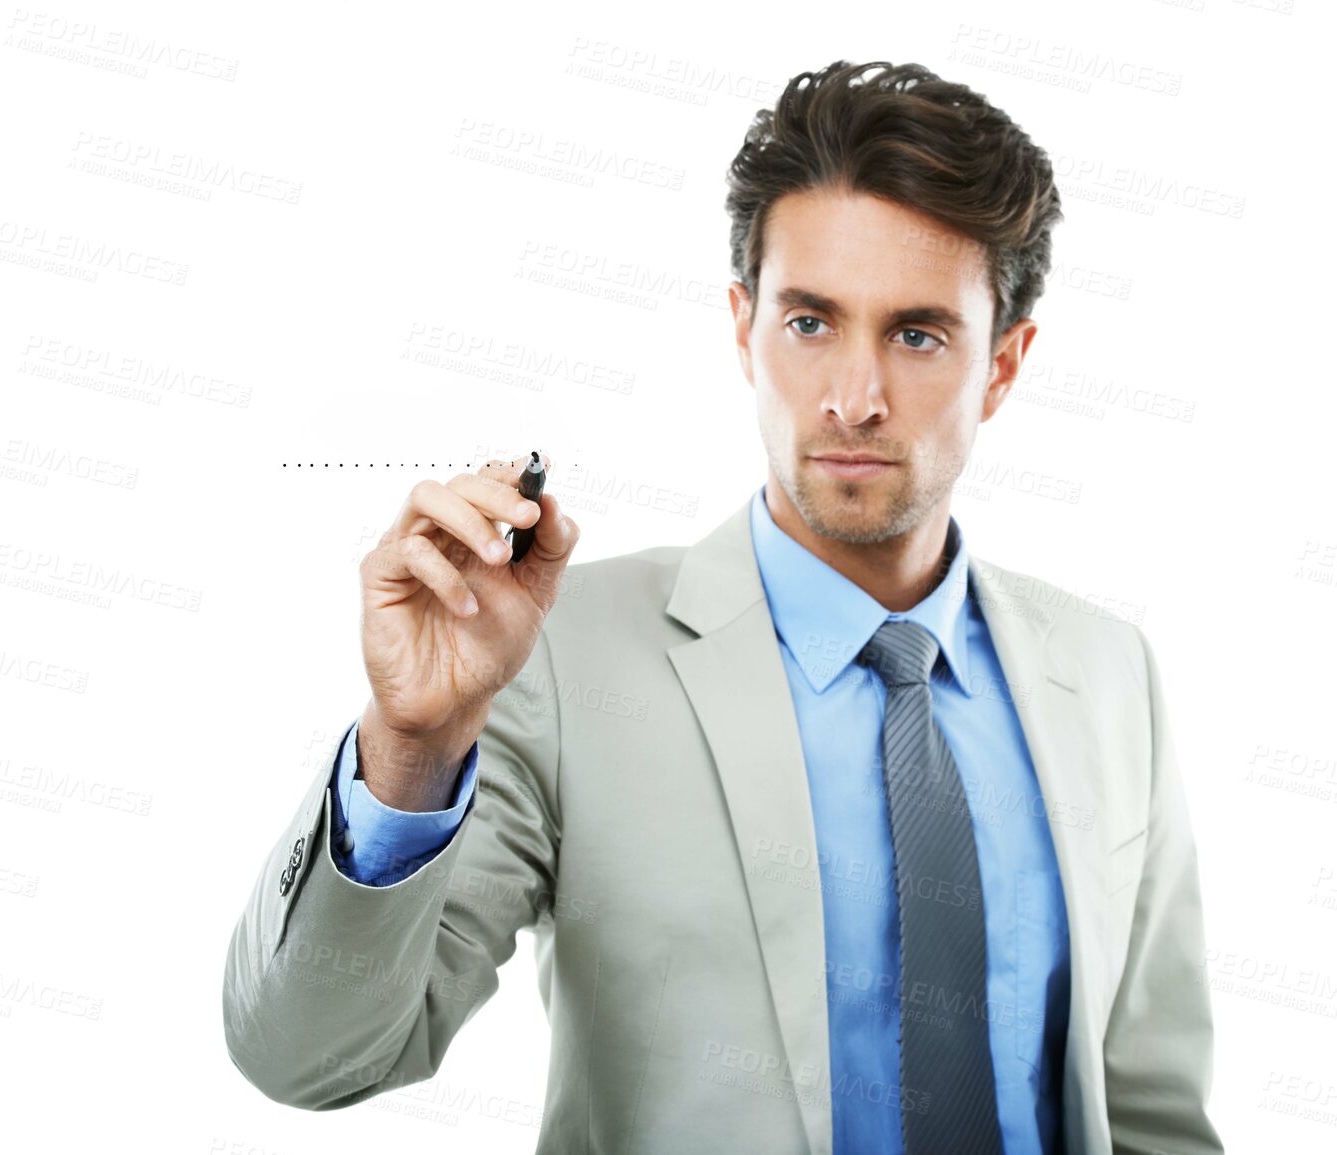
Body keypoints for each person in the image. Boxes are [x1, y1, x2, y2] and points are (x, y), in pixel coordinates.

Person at [222, 59, 1222, 1155]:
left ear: (1005, 365)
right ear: (743, 326)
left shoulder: (1109, 672)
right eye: (810, 322)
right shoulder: (557, 659)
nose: (855, 395)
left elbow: (1155, 1115)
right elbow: (309, 1056)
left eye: (919, 334)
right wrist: (412, 743)